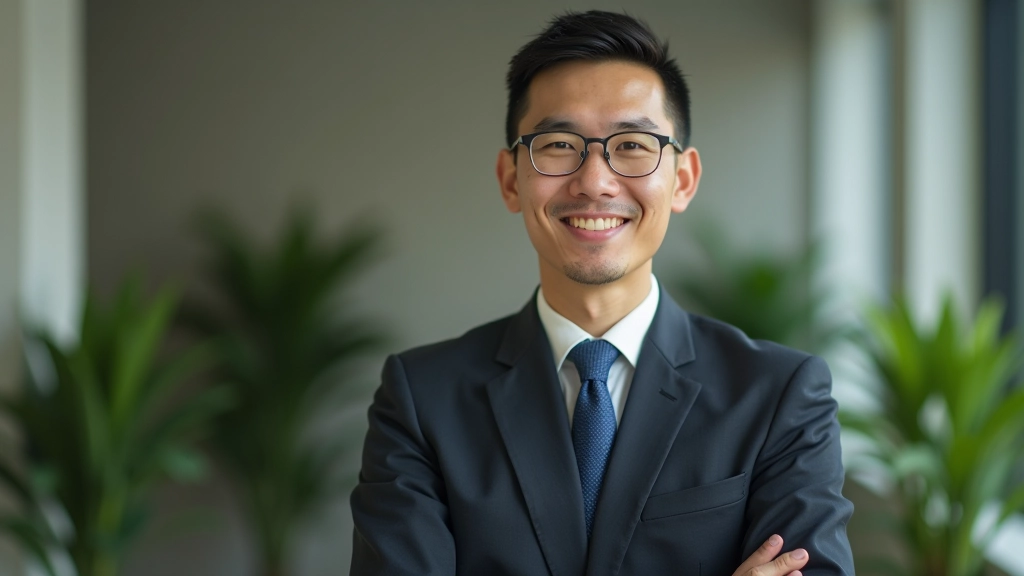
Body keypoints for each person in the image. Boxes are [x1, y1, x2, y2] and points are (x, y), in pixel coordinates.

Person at [350, 10, 854, 576]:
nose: (594, 181)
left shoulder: (778, 395)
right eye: (558, 144)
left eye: (633, 144)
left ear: (682, 179)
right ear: (511, 179)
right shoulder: (421, 399)